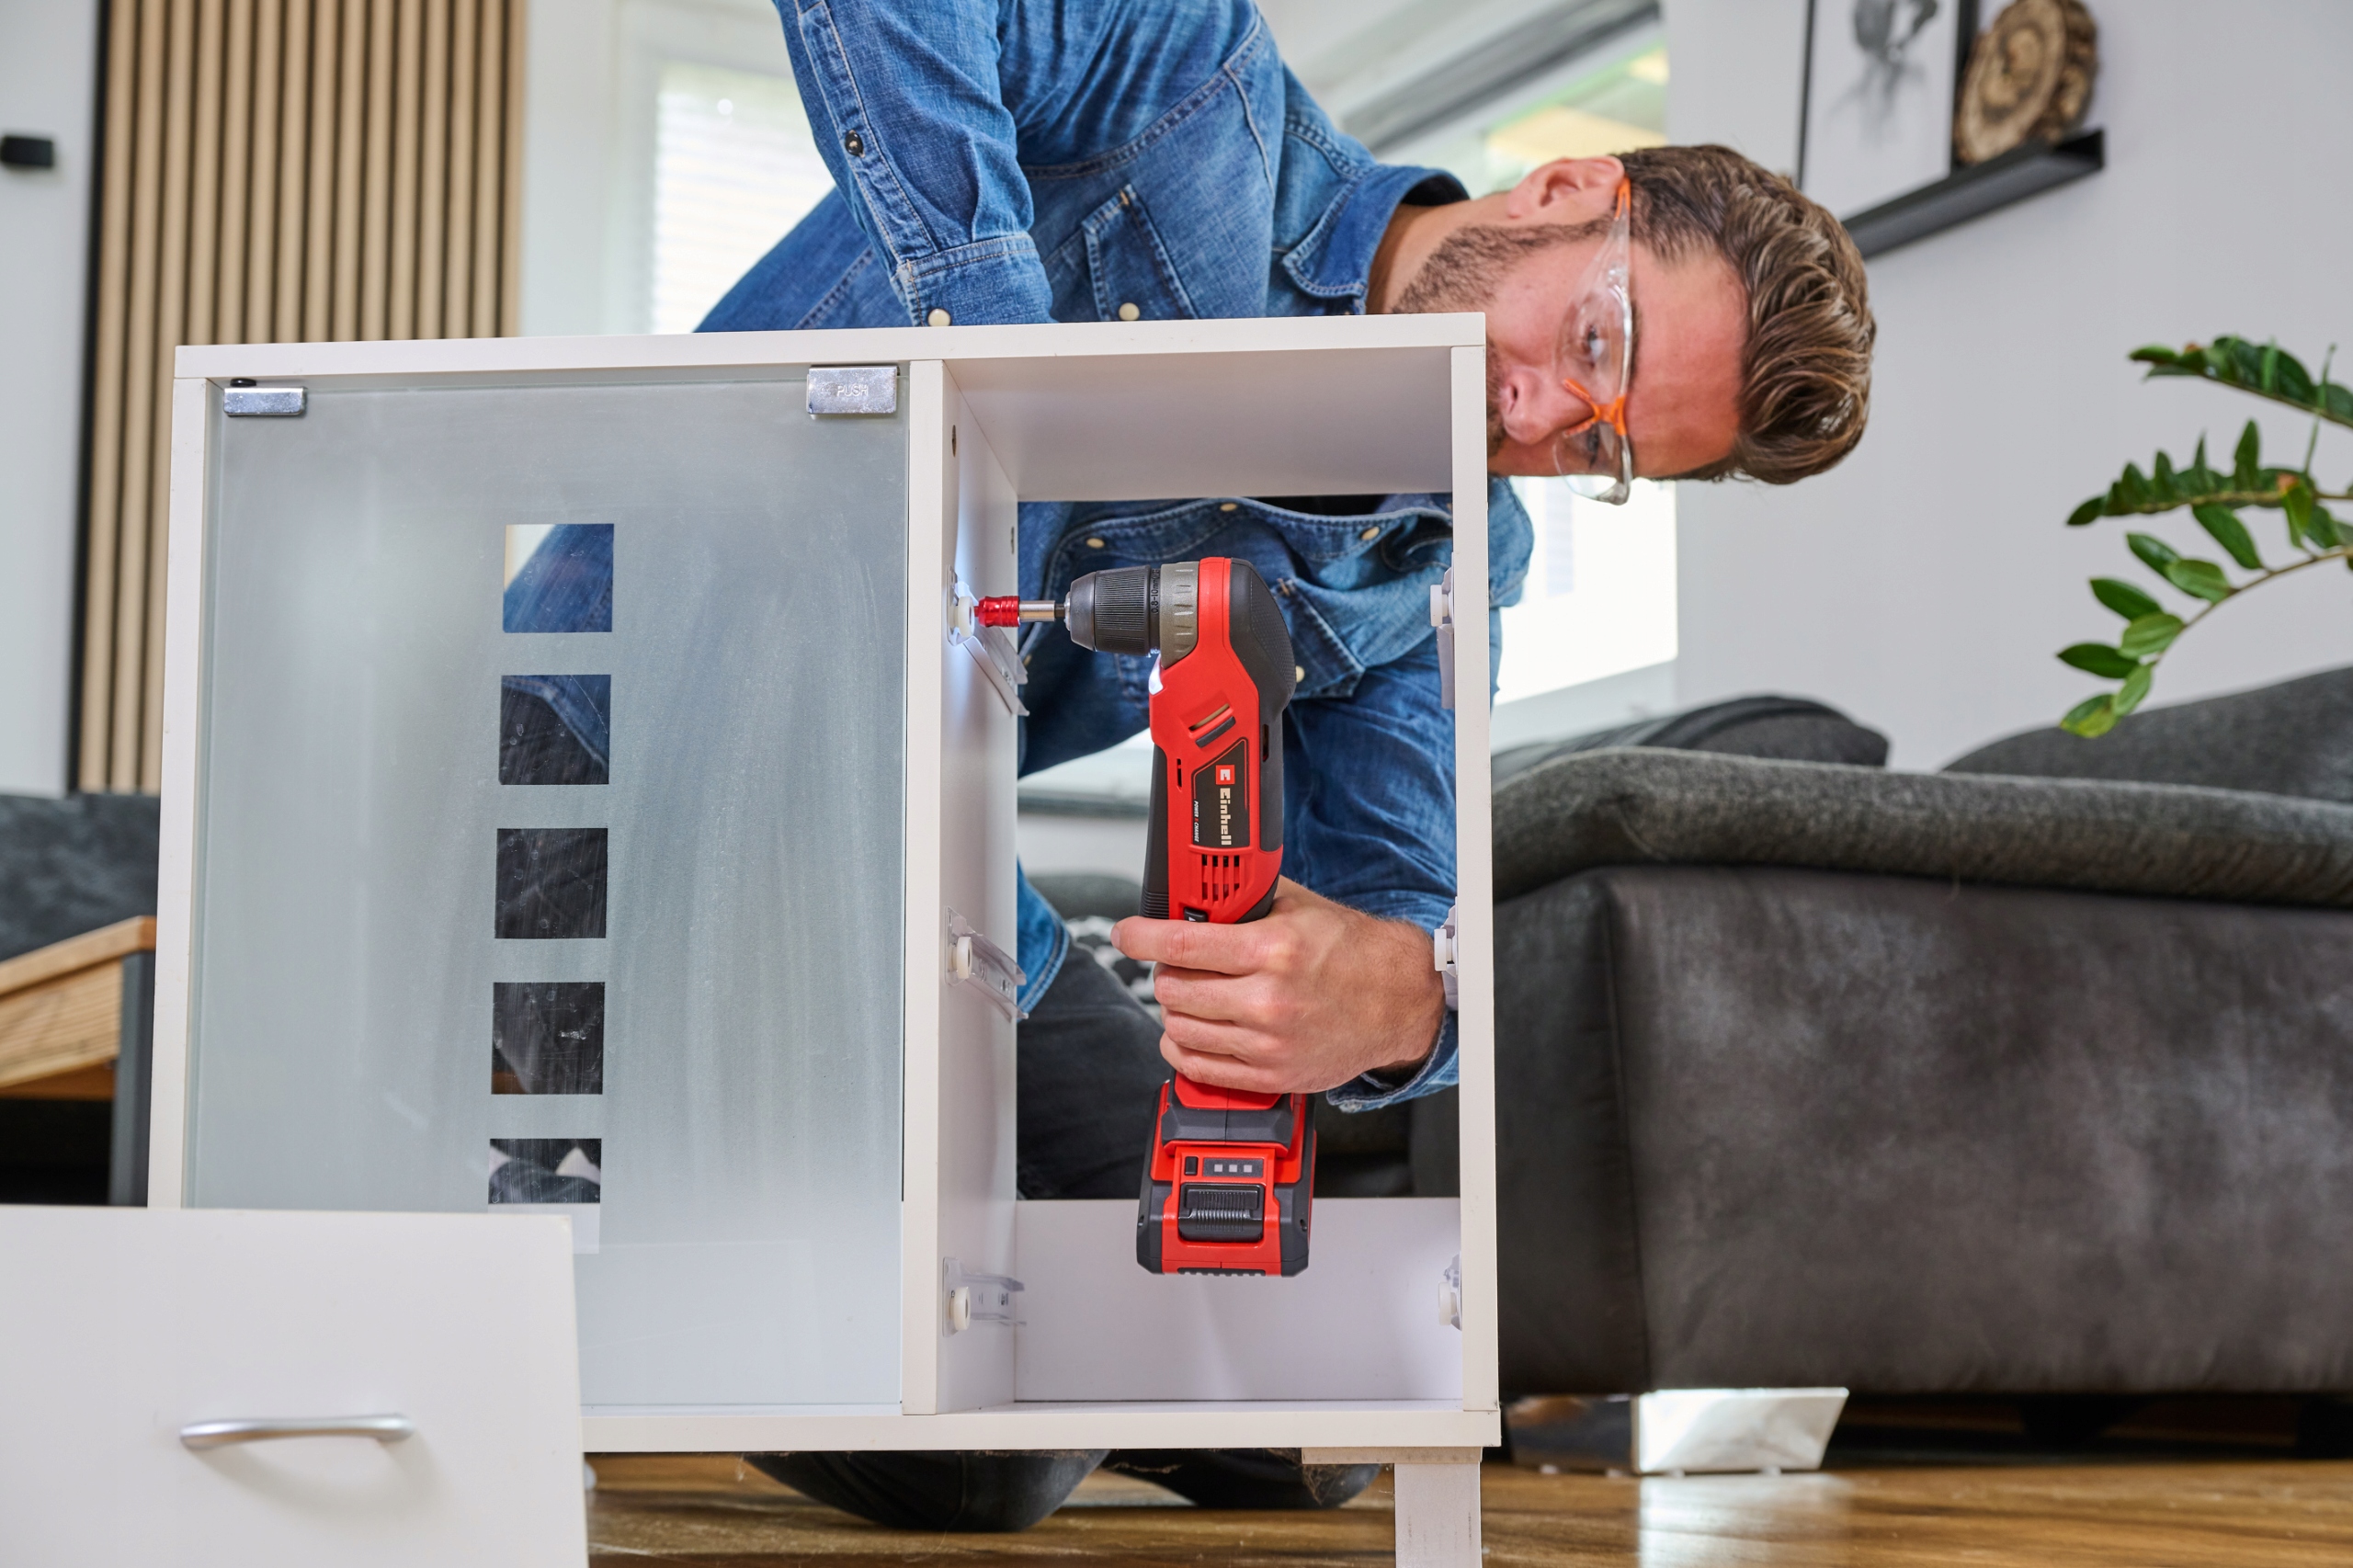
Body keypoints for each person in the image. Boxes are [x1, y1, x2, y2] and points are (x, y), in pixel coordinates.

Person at [699, 0, 1873, 1530]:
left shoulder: (1447, 548)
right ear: (1572, 188)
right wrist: (994, 359)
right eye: (1594, 342)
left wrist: (1401, 998)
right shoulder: (1185, 84)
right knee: (993, 1436)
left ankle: (896, 1311)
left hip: (943, 886)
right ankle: (576, 1215)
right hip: (666, 752)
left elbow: (1402, 905)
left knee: (1313, 1408)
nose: (1535, 414)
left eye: (1602, 448)